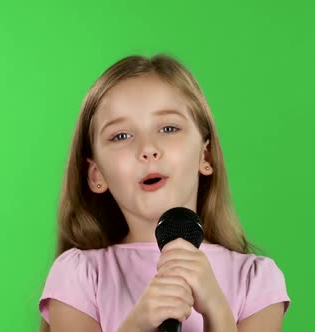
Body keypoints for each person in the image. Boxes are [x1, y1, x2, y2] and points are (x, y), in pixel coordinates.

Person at [38, 54, 290, 332]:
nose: (148, 148)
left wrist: (218, 310)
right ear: (96, 175)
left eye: (168, 128)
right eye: (121, 135)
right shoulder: (79, 276)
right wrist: (137, 323)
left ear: (205, 155)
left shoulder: (255, 280)